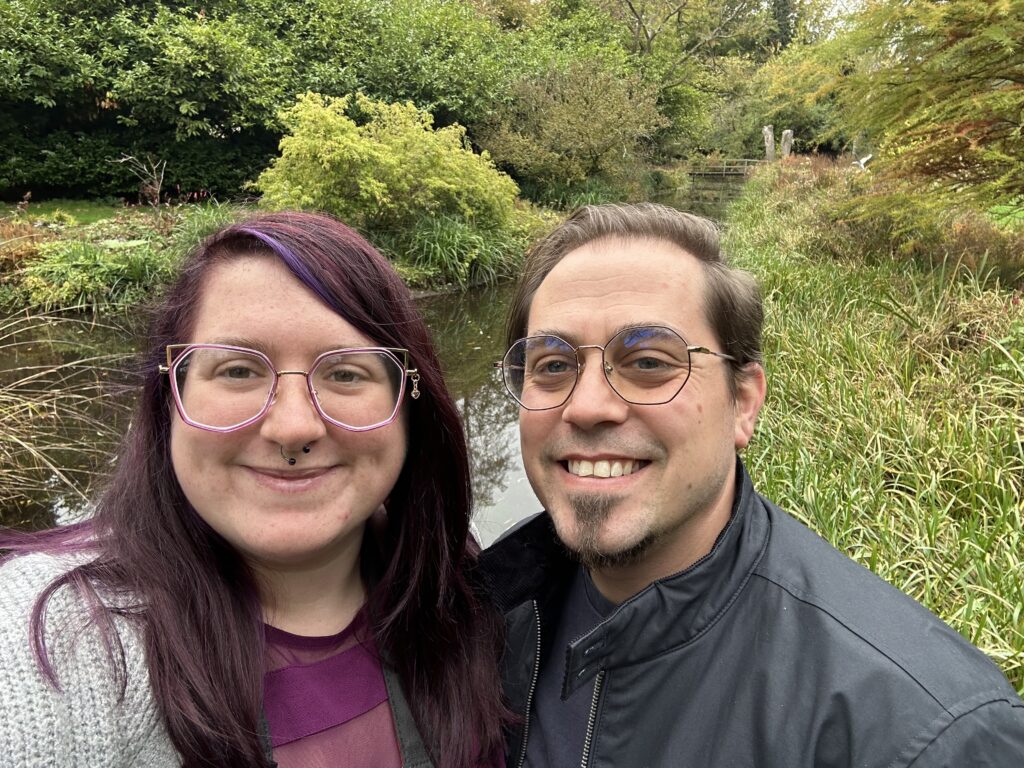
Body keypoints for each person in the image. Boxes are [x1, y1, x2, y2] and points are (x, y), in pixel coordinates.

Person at [481, 203, 1024, 767]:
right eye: (552, 366)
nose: (588, 406)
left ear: (743, 402)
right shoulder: (481, 611)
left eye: (648, 362)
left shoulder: (928, 733)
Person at [0, 211, 507, 768]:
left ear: (410, 406)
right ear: (169, 399)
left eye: (345, 373)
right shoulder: (53, 636)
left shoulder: (463, 584)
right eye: (239, 371)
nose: (293, 428)